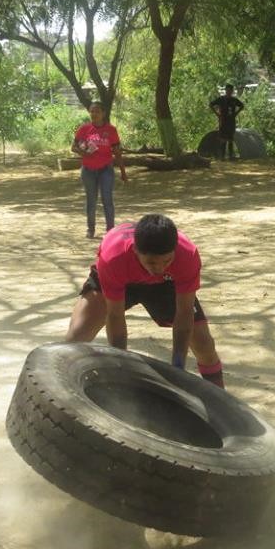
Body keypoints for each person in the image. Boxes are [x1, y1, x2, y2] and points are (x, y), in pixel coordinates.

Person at [65, 214, 226, 388]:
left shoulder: (187, 255)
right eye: (152, 262)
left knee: (204, 345)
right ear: (135, 250)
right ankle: (63, 390)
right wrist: (122, 365)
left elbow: (184, 312)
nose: (159, 267)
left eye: (167, 260)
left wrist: (178, 366)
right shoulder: (113, 258)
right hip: (120, 276)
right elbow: (115, 316)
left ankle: (222, 399)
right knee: (75, 338)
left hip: (165, 283)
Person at [71, 102, 128, 239]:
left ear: (103, 113)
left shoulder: (111, 130)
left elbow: (117, 152)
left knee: (107, 200)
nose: (94, 114)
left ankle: (110, 231)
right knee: (91, 200)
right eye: (91, 111)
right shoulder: (84, 129)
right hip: (88, 170)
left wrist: (123, 172)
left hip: (105, 170)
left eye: (97, 111)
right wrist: (84, 153)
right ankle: (91, 229)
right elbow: (73, 147)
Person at [209, 84, 244, 161]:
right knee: (223, 139)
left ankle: (231, 156)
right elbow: (211, 104)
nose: (229, 92)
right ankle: (222, 157)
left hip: (231, 121)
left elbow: (242, 106)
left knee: (230, 138)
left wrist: (236, 113)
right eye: (227, 90)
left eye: (230, 90)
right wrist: (217, 114)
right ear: (225, 91)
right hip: (223, 120)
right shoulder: (221, 99)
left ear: (232, 91)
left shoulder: (234, 100)